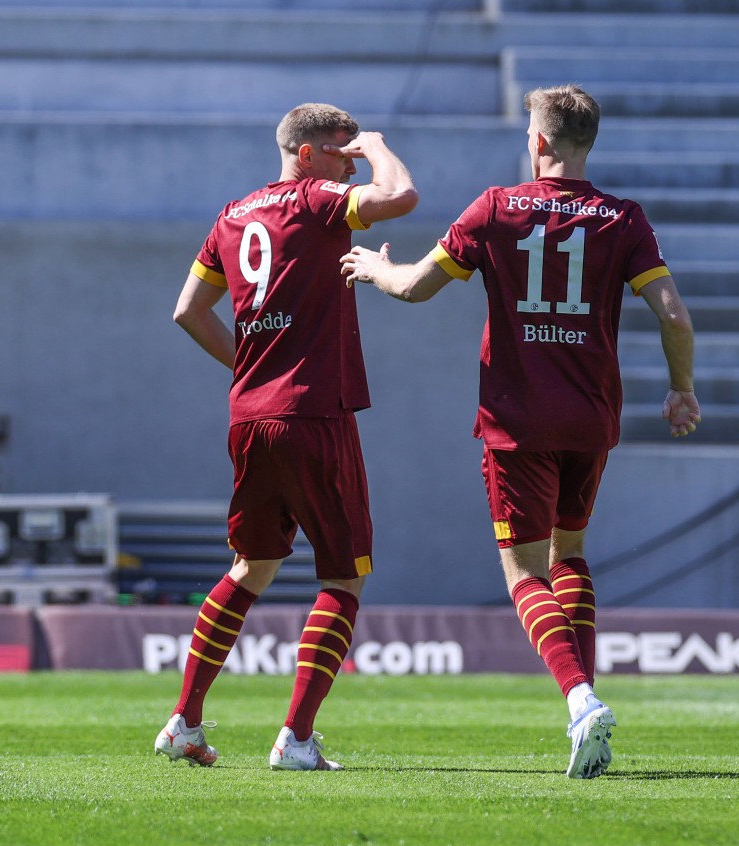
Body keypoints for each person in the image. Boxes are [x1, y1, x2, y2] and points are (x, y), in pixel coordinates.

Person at [340, 84, 700, 779]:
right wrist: (682, 388)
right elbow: (675, 315)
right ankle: (585, 711)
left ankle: (582, 698)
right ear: (587, 142)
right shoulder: (623, 219)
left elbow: (416, 286)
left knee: (523, 571)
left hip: (517, 421)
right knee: (571, 554)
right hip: (591, 418)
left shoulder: (498, 207)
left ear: (538, 142)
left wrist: (376, 267)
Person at [154, 103, 418, 771]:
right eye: (341, 149)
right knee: (343, 576)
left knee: (252, 567)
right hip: (312, 415)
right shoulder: (317, 199)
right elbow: (402, 196)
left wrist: (250, 363)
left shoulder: (234, 213)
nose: (349, 159)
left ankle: (184, 720)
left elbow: (188, 310)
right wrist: (380, 147)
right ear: (307, 155)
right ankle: (295, 739)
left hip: (250, 417)